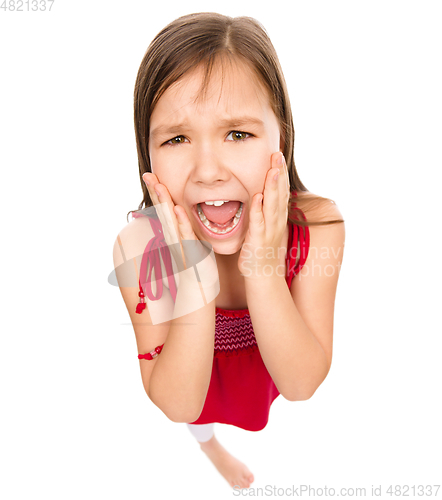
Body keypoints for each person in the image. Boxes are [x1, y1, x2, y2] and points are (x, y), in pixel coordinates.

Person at [112, 12, 345, 490]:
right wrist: (194, 288)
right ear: (146, 154)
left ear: (281, 135)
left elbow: (301, 385)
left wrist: (262, 268)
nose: (208, 170)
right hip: (190, 377)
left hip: (265, 372)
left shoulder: (317, 226)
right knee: (197, 422)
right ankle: (210, 446)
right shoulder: (139, 248)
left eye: (238, 134)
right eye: (176, 139)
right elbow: (178, 401)